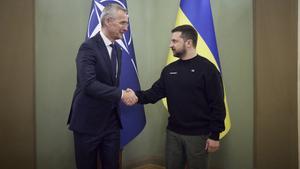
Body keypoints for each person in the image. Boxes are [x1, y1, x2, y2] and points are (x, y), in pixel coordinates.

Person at [131, 25, 226, 169]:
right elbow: (153, 94)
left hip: (198, 136)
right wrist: (134, 96)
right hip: (173, 133)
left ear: (188, 43)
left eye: (175, 41)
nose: (171, 45)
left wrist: (215, 136)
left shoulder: (208, 69)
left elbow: (217, 104)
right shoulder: (169, 70)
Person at [67, 3, 137, 169]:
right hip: (88, 122)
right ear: (108, 21)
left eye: (126, 23)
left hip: (111, 122)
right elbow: (88, 84)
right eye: (122, 23)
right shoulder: (88, 48)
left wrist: (123, 92)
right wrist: (121, 94)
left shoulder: (118, 50)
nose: (126, 28)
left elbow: (109, 83)